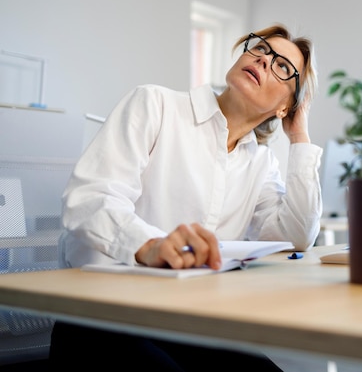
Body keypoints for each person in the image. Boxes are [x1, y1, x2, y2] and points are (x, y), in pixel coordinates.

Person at [49, 24, 322, 371]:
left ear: (286, 107)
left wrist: (299, 135)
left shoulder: (260, 161)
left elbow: (295, 237)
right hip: (100, 317)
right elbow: (89, 199)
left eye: (283, 67)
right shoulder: (155, 104)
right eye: (262, 49)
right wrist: (149, 245)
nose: (265, 60)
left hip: (185, 327)